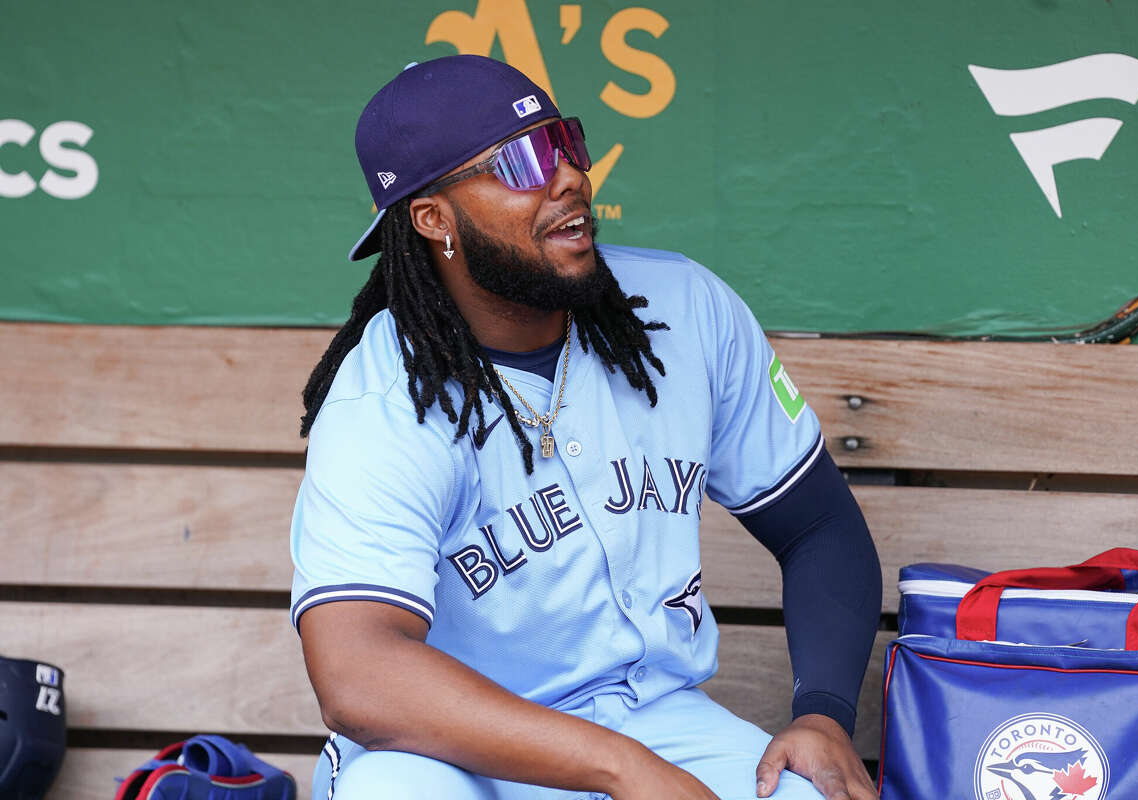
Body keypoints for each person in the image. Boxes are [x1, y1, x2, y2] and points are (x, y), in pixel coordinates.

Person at [290, 55, 881, 800]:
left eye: (564, 141)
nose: (566, 175)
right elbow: (359, 673)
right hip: (448, 746)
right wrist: (621, 770)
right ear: (434, 218)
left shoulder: (684, 308)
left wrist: (823, 714)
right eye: (522, 161)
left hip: (657, 721)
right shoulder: (382, 398)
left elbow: (817, 524)